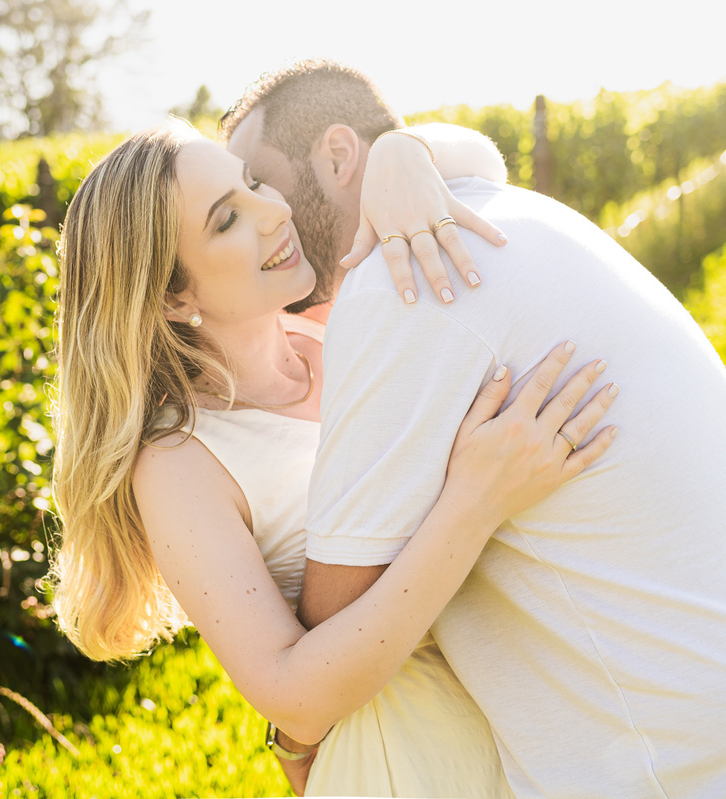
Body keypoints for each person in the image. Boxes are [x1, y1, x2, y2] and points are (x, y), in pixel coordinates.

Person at [221, 59, 726, 797]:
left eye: (261, 182)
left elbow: (335, 610)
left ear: (335, 154)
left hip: (672, 765)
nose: (265, 214)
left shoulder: (400, 282)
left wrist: (293, 740)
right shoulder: (526, 214)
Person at [49, 118, 619, 797]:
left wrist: (404, 153)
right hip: (407, 762)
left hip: (528, 731)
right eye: (228, 218)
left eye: (255, 181)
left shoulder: (346, 325)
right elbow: (292, 696)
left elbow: (482, 165)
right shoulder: (180, 460)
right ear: (175, 295)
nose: (274, 211)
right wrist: (476, 502)